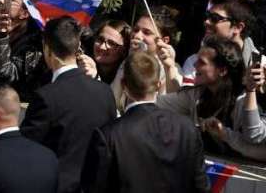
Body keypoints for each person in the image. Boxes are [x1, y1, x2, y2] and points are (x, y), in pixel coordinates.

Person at [82, 52, 209, 192]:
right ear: (159, 85)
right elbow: (201, 186)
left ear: (123, 84)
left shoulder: (109, 135)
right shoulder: (187, 128)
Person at [20, 17, 118, 193]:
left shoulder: (46, 97)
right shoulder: (105, 92)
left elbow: (25, 149)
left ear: (47, 48)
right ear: (77, 47)